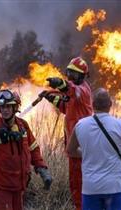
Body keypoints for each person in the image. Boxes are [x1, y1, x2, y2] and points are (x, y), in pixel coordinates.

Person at [66, 88, 121, 210]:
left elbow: (70, 151)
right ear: (110, 105)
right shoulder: (119, 125)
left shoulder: (80, 125)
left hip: (91, 189)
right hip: (115, 187)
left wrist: (89, 153)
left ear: (93, 105)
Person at [0, 89, 52, 210]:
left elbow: (34, 149)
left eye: (8, 106)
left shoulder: (23, 126)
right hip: (2, 187)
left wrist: (42, 168)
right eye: (2, 107)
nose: (5, 110)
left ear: (15, 107)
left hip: (20, 186)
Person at [41, 57, 93, 210]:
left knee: (80, 183)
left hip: (82, 146)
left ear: (83, 76)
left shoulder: (83, 90)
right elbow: (67, 108)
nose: (71, 77)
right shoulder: (73, 93)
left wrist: (61, 84)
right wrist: (52, 99)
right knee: (75, 183)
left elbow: (71, 90)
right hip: (73, 144)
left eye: (74, 74)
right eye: (69, 73)